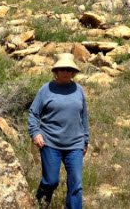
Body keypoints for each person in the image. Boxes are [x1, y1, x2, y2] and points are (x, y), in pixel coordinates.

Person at [28, 53, 89, 209]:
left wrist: (85, 140)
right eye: (62, 69)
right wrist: (35, 133)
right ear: (56, 71)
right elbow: (33, 113)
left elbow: (84, 117)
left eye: (69, 69)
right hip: (50, 142)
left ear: (73, 72)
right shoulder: (46, 89)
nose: (66, 72)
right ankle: (40, 204)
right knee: (50, 181)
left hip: (75, 144)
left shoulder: (79, 90)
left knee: (76, 184)